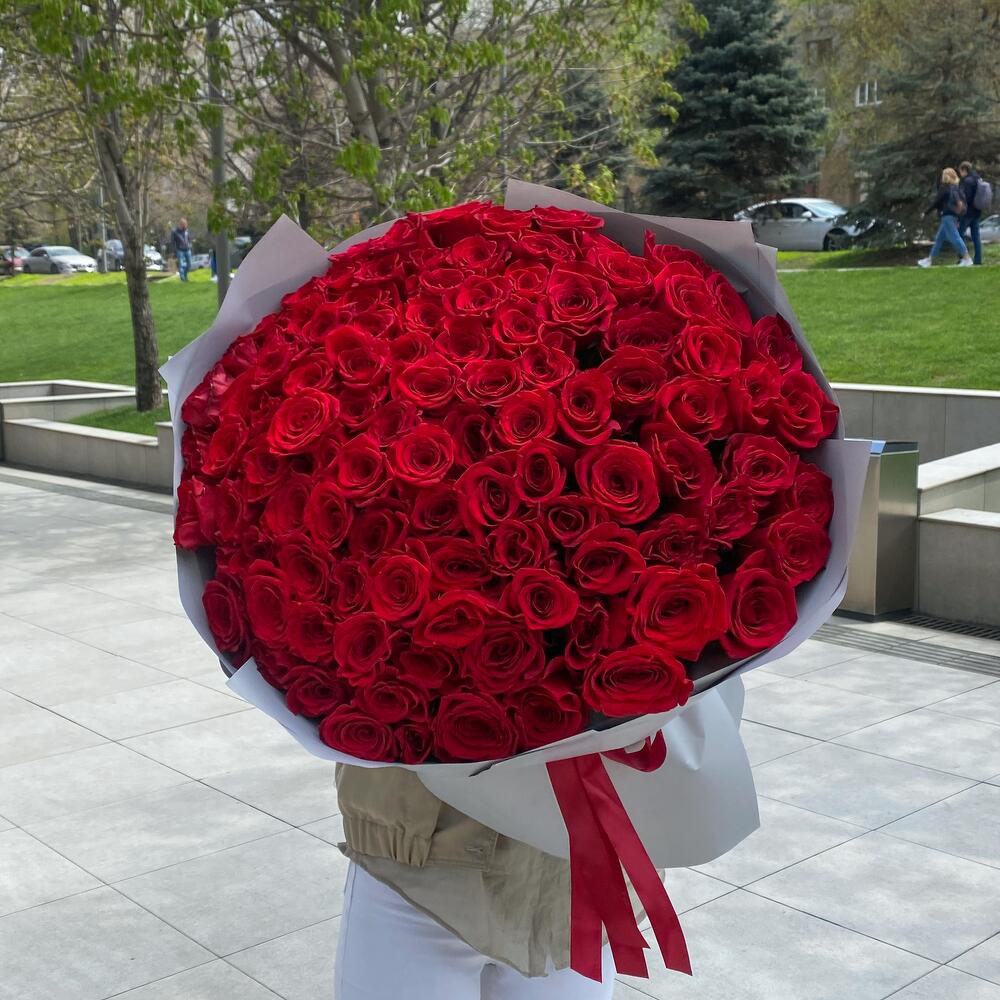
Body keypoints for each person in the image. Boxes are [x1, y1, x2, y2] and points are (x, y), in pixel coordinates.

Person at [917, 168, 974, 268]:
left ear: (946, 176)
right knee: (939, 239)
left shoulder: (944, 188)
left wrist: (925, 213)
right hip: (953, 216)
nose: (943, 177)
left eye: (944, 175)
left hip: (947, 216)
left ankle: (967, 258)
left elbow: (936, 203)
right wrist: (958, 219)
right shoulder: (956, 188)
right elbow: (960, 205)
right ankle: (929, 260)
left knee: (955, 237)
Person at [958, 160, 984, 265]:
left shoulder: (967, 181)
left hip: (967, 212)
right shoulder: (978, 179)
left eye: (960, 171)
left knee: (959, 234)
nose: (960, 174)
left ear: (964, 170)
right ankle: (978, 259)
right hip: (977, 212)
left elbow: (966, 198)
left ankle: (964, 258)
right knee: (976, 237)